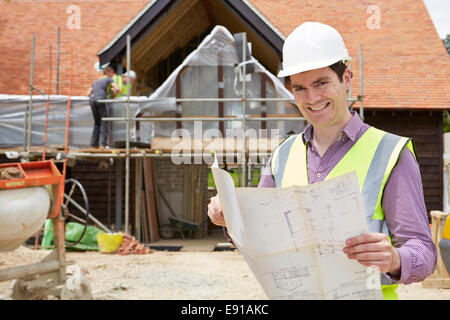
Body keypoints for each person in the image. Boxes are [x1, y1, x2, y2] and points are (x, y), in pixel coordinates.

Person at [207, 22, 437, 300]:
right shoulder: (283, 154)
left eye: (321, 83)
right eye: (300, 88)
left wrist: (395, 259)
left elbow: (424, 252)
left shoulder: (391, 153)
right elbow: (259, 235)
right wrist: (229, 217)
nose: (312, 98)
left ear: (347, 78)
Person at [87, 67, 119, 148]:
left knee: (97, 122)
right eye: (112, 72)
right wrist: (112, 96)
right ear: (109, 73)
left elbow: (88, 93)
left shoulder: (96, 81)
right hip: (101, 100)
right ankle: (103, 145)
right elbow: (117, 89)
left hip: (92, 100)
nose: (113, 75)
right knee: (104, 122)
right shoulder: (109, 79)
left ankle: (94, 145)